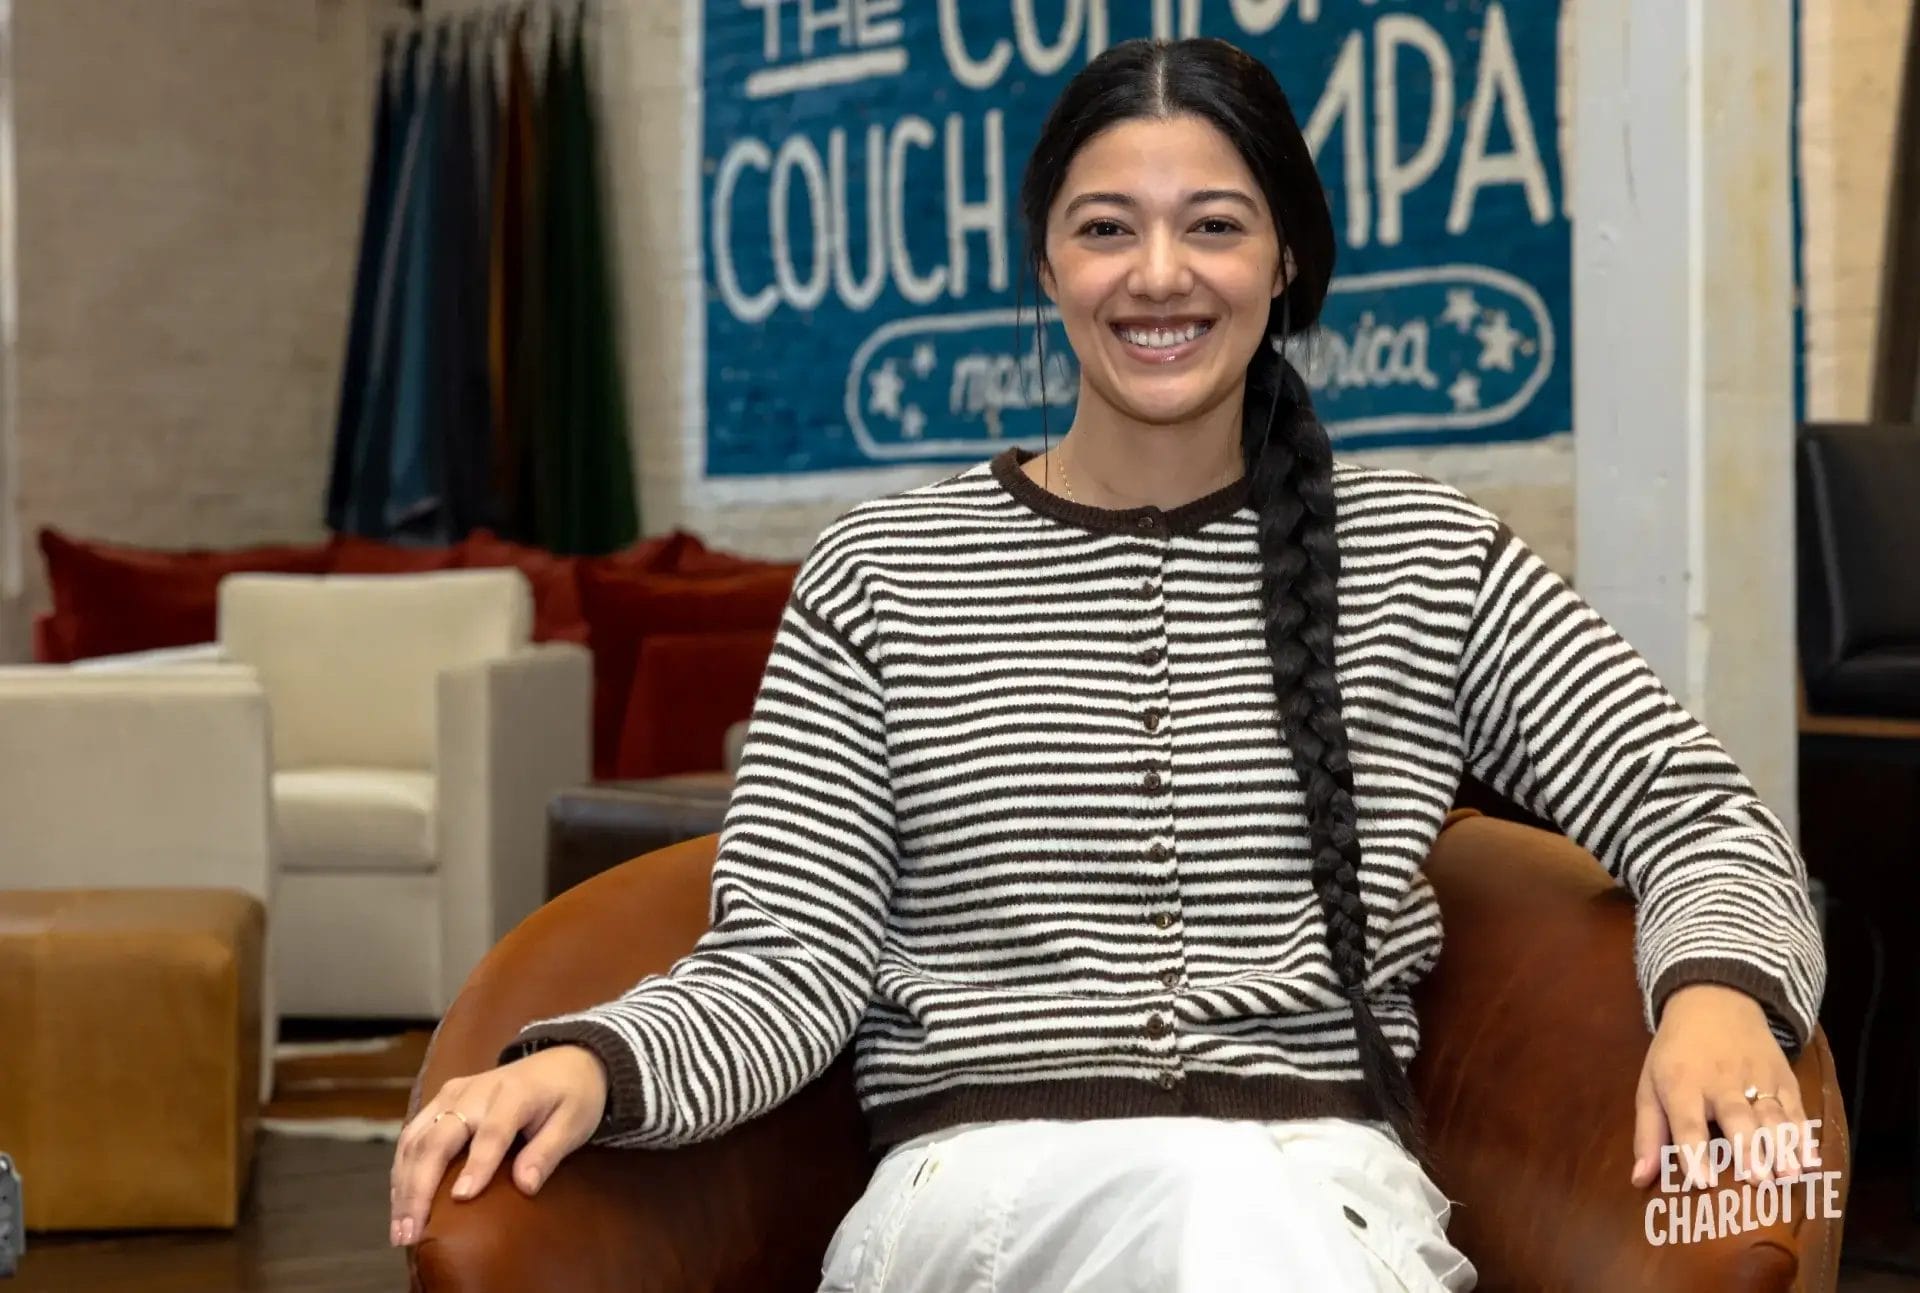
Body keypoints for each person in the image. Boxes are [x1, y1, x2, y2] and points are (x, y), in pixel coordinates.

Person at [389, 36, 1825, 1291]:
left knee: (1231, 1218)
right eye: (1104, 229)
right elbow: (785, 959)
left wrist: (1713, 992)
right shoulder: (883, 571)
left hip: (1318, 1200)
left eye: (1213, 224)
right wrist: (586, 1058)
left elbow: (1693, 803)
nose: (1158, 275)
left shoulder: (1427, 558)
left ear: (1287, 259)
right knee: (1209, 1220)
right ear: (1044, 260)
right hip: (976, 1205)